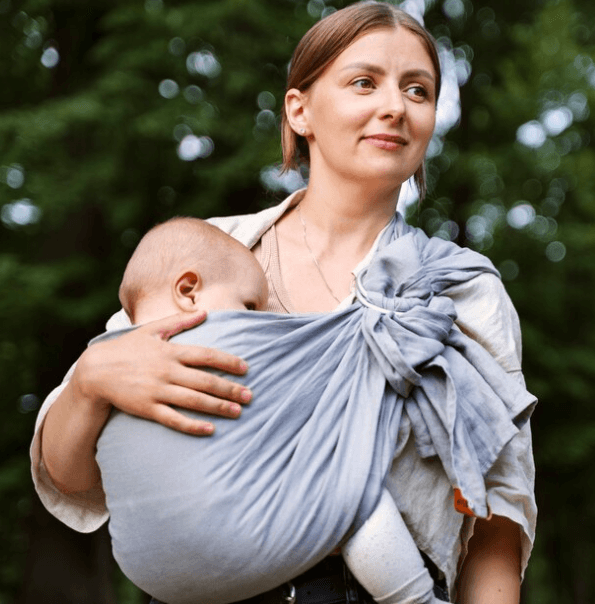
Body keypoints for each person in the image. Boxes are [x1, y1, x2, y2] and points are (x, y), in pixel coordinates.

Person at [31, 2, 536, 603]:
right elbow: (76, 475)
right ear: (300, 111)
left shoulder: (460, 291)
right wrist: (89, 381)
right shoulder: (204, 258)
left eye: (418, 90)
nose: (395, 107)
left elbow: (498, 520)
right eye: (363, 83)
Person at [99, 215, 460, 604]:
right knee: (354, 487)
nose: (258, 319)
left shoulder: (107, 363)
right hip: (247, 540)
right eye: (249, 305)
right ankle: (417, 599)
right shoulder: (222, 345)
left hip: (153, 574)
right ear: (189, 291)